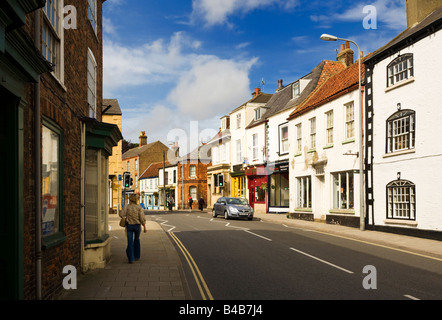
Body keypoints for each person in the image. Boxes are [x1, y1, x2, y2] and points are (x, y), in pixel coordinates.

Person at [120, 194, 147, 264]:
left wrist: (126, 216)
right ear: (136, 200)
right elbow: (142, 218)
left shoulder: (127, 207)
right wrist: (144, 227)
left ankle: (131, 259)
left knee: (130, 242)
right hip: (137, 226)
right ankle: (137, 256)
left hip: (129, 226)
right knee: (137, 240)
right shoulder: (139, 207)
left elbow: (121, 214)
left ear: (130, 199)